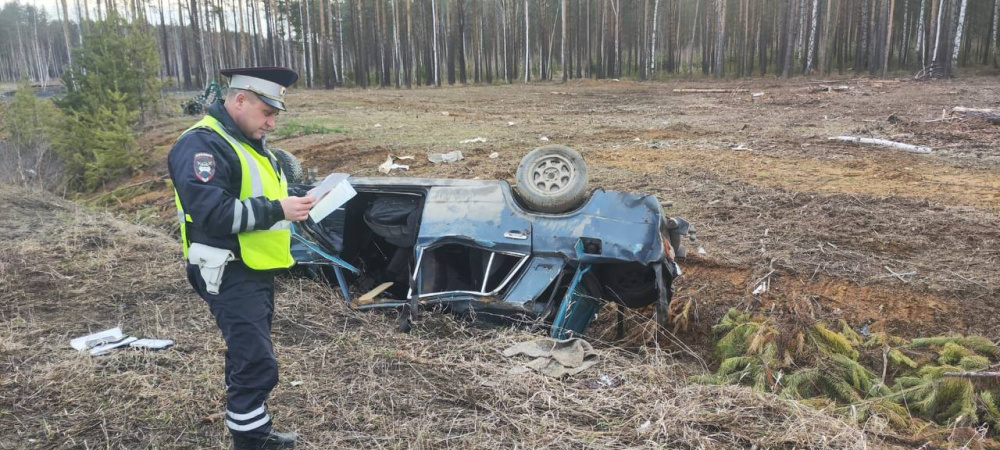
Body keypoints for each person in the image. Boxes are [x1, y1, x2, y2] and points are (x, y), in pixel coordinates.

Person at [167, 67, 314, 450]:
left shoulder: (246, 140)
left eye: (275, 115)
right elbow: (212, 215)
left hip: (254, 266)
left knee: (248, 352)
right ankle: (251, 442)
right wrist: (279, 209)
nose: (271, 123)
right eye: (267, 112)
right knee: (257, 359)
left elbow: (259, 193)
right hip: (226, 268)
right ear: (239, 100)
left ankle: (251, 430)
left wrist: (295, 204)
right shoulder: (201, 145)